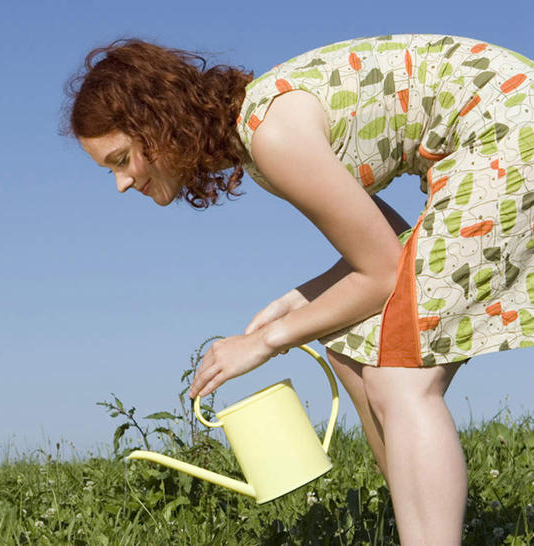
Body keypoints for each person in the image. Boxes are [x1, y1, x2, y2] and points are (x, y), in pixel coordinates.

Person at [65, 33, 534, 545]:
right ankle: (421, 524)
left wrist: (266, 341)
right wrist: (300, 300)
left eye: (120, 159)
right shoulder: (259, 133)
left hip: (507, 130)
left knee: (400, 378)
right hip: (500, 125)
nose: (121, 183)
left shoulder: (273, 138)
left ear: (156, 129)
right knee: (350, 348)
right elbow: (389, 245)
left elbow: (380, 273)